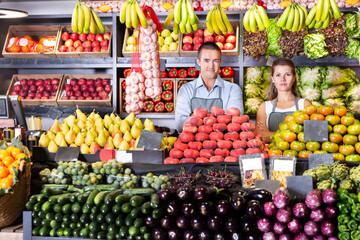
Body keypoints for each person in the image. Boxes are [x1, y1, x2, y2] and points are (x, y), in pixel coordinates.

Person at [175, 42, 244, 131]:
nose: (211, 66)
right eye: (206, 60)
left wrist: (194, 117)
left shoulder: (233, 89)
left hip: (222, 144)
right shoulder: (186, 89)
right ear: (198, 62)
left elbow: (235, 124)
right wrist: (221, 119)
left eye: (215, 60)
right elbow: (180, 125)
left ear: (220, 62)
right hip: (192, 144)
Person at [256, 58, 312, 143]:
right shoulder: (264, 107)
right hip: (272, 154)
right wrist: (296, 134)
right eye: (278, 75)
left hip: (298, 155)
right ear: (273, 79)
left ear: (294, 78)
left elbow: (311, 135)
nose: (283, 79)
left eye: (287, 75)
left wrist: (270, 134)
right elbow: (260, 136)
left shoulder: (305, 104)